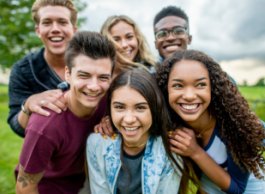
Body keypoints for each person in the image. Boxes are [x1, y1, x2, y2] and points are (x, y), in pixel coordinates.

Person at [15, 31, 116, 194]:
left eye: (103, 78)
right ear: (68, 74)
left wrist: (114, 120)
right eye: (85, 76)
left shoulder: (109, 102)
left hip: (85, 182)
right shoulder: (45, 125)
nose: (94, 87)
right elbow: (24, 188)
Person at [156, 50, 265, 194]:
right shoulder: (171, 120)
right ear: (166, 89)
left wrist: (195, 151)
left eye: (200, 85)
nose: (189, 96)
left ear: (212, 88)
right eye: (178, 85)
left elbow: (237, 188)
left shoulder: (236, 125)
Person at [86, 69, 203, 194]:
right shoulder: (97, 144)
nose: (129, 119)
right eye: (119, 107)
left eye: (140, 108)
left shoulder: (170, 149)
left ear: (154, 109)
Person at [8, 0, 78, 137]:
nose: (55, 29)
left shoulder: (94, 63)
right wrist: (28, 105)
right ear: (38, 31)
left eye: (63, 22)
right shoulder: (22, 70)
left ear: (74, 30)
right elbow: (18, 127)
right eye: (47, 22)